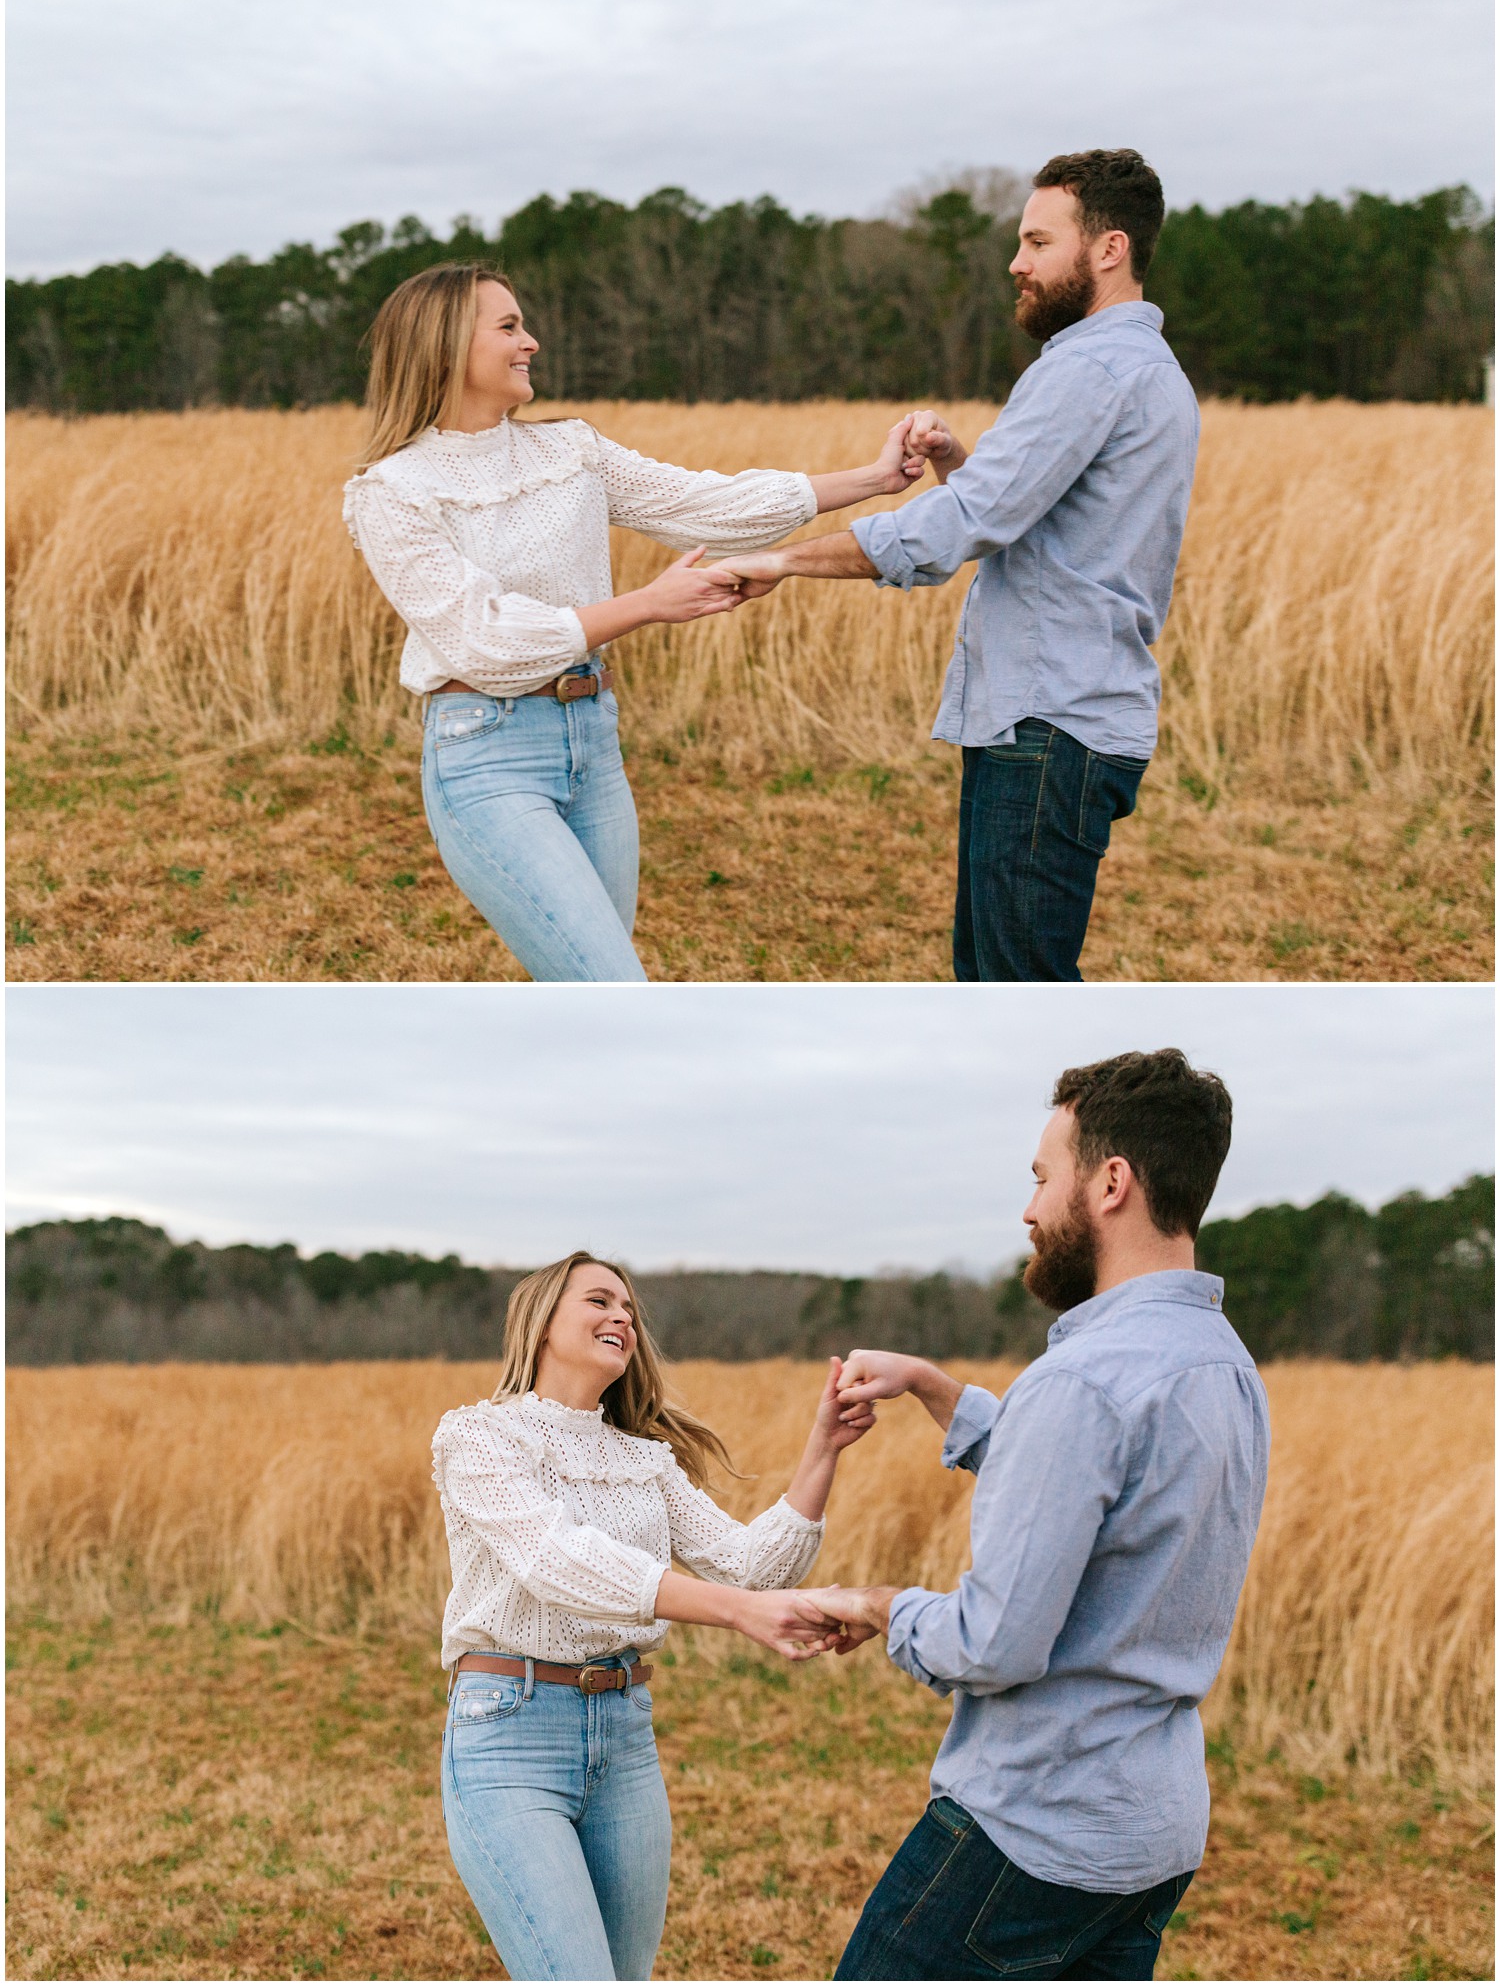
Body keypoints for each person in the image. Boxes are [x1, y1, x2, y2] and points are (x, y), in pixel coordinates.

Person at [798, 1048, 1271, 1981]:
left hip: (1029, 1831)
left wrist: (885, 1606)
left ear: (1110, 1182)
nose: (1027, 1208)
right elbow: (1102, 1493)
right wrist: (939, 1389)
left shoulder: (1082, 1382)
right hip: (1149, 1836)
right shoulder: (1225, 1365)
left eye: (1041, 1176)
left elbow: (994, 1642)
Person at [343, 263, 927, 982]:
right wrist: (648, 604)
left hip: (593, 738)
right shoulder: (392, 491)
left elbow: (704, 506)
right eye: (508, 327)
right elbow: (484, 641)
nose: (532, 341)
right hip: (486, 753)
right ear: (443, 346)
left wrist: (874, 478)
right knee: (610, 983)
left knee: (592, 982)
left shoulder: (571, 449)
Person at [717, 151, 1201, 983]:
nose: (1017, 262)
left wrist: (787, 558)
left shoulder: (1089, 368)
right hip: (1058, 719)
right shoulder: (1150, 372)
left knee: (1017, 983)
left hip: (1050, 726)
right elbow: (1033, 520)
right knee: (994, 976)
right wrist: (959, 463)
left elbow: (966, 526)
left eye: (1037, 242)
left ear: (1109, 249)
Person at [430, 1250, 861, 1981]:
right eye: (599, 1300)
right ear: (540, 1324)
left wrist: (825, 1446)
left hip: (625, 1737)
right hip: (509, 1734)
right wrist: (738, 1613)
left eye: (629, 1308)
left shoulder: (646, 1460)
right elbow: (559, 1561)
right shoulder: (478, 1436)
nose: (622, 1316)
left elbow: (753, 1568)